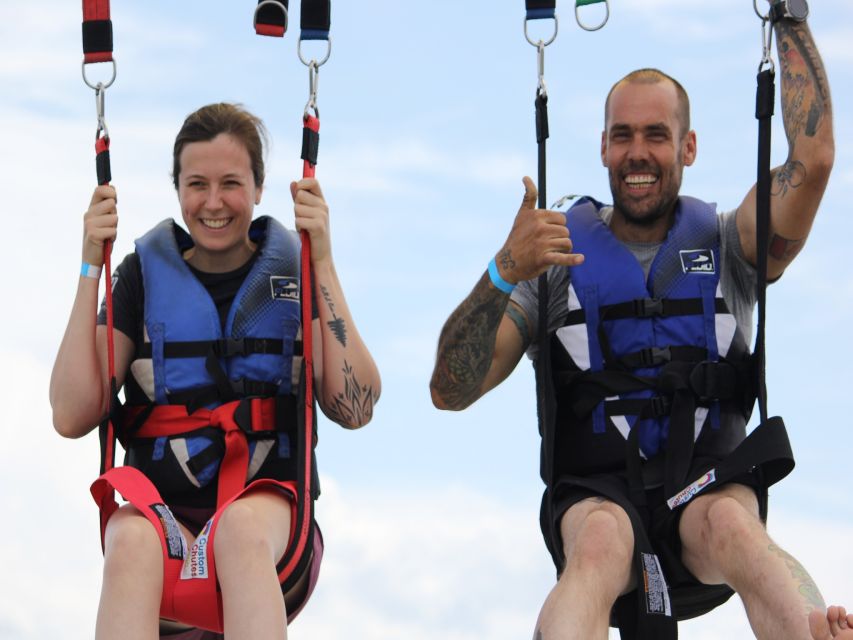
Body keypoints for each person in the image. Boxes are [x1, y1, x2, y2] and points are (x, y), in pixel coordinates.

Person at [430, 7, 843, 640]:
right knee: (598, 544)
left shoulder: (732, 244)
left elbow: (811, 161)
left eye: (656, 134)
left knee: (736, 529)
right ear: (602, 146)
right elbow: (449, 391)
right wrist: (504, 270)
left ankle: (813, 629)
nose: (637, 153)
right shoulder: (552, 261)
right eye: (622, 135)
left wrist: (787, 15)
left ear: (688, 146)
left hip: (709, 491)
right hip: (597, 495)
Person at [50, 103, 381, 640]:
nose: (212, 202)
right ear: (177, 188)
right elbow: (70, 413)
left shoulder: (294, 277)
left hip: (269, 517)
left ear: (258, 188)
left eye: (231, 183)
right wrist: (92, 262)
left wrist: (321, 260)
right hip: (163, 516)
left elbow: (357, 406)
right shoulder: (140, 277)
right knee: (129, 539)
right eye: (196, 184)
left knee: (238, 529)